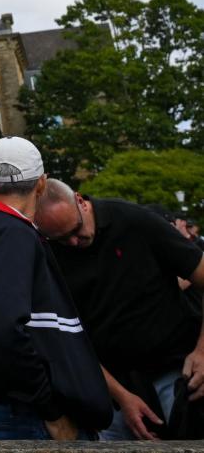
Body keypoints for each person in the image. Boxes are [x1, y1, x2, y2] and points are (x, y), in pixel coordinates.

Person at [0, 137, 111, 440]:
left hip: (10, 404)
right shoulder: (12, 233)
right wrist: (51, 410)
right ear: (42, 183)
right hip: (30, 413)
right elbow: (2, 331)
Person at [34, 179, 204, 441]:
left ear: (80, 201)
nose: (74, 242)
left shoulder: (134, 221)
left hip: (175, 371)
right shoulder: (50, 254)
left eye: (76, 230)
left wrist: (202, 351)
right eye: (61, 239)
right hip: (112, 389)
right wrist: (122, 397)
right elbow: (71, 339)